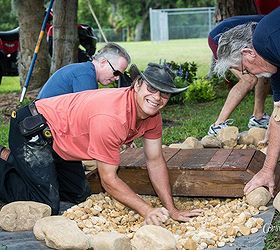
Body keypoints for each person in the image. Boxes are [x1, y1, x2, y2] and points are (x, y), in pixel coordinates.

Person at [0, 63, 202, 225]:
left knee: (78, 195)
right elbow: (108, 180)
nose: (157, 98)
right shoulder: (112, 117)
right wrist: (146, 210)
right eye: (152, 88)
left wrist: (172, 210)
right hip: (32, 128)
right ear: (137, 84)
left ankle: (18, 162)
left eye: (164, 93)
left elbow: (155, 160)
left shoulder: (152, 116)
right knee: (46, 204)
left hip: (61, 140)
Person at [213, 7, 280, 196]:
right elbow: (279, 115)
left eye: (243, 69)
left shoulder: (271, 41)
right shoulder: (272, 59)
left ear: (248, 53)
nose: (248, 75)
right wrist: (267, 170)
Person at [207, 14, 271, 135]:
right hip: (219, 39)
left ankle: (258, 117)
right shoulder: (273, 27)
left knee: (264, 71)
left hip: (238, 37)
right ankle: (217, 126)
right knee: (249, 79)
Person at [37, 42, 131, 99]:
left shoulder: (86, 70)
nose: (117, 78)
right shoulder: (85, 75)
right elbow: (88, 113)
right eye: (116, 72)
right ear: (103, 62)